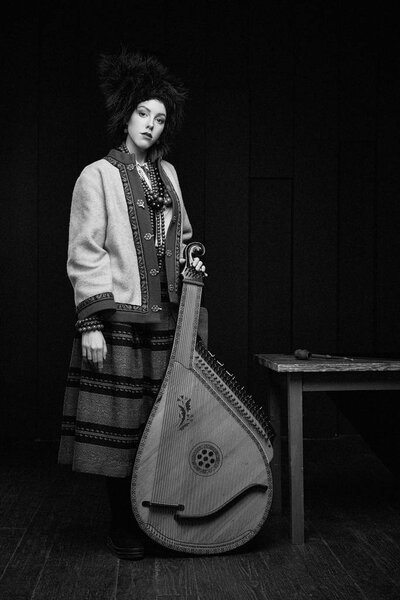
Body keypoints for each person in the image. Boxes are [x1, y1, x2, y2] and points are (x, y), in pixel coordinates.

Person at [58, 49, 206, 560]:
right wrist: (91, 325)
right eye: (143, 113)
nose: (151, 124)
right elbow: (85, 251)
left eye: (160, 117)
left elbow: (183, 235)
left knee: (159, 425)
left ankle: (156, 517)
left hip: (163, 322)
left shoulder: (170, 177)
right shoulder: (95, 175)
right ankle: (123, 524)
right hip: (116, 323)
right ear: (126, 116)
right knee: (119, 431)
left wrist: (191, 260)